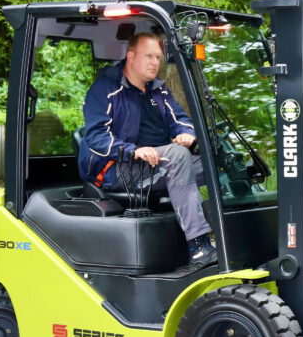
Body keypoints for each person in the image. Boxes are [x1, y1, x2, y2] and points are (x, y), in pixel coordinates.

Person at [77, 31, 217, 266]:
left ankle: (225, 231)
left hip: (154, 164)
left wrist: (188, 134)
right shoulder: (105, 90)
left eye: (158, 57)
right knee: (177, 156)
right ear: (131, 57)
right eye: (149, 56)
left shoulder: (158, 91)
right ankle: (198, 245)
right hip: (117, 168)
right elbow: (96, 137)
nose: (155, 63)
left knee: (217, 155)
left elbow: (180, 120)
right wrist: (132, 150)